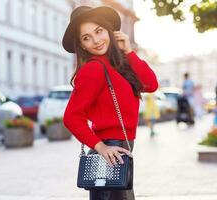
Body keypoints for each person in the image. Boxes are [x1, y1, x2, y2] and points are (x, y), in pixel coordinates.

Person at [62, 6, 158, 200]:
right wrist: (100, 147)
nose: (96, 40)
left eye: (99, 31)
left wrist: (129, 52)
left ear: (109, 31)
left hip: (122, 150)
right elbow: (71, 117)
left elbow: (151, 84)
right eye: (86, 37)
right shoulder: (93, 69)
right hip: (110, 152)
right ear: (82, 46)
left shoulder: (119, 64)